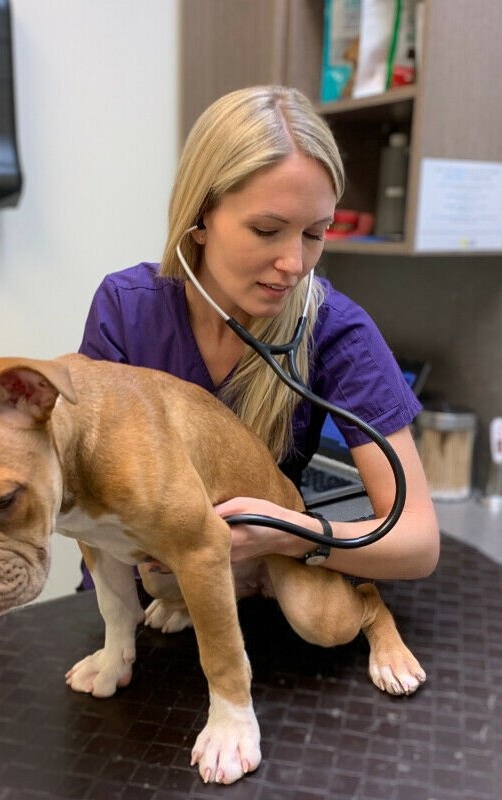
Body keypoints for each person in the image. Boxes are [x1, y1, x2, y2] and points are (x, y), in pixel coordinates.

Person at [78, 85, 439, 584]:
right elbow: (87, 476)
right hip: (134, 595)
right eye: (267, 230)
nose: (294, 264)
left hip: (252, 593)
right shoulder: (127, 309)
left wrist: (285, 533)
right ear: (200, 216)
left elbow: (418, 544)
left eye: (315, 234)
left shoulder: (337, 332)